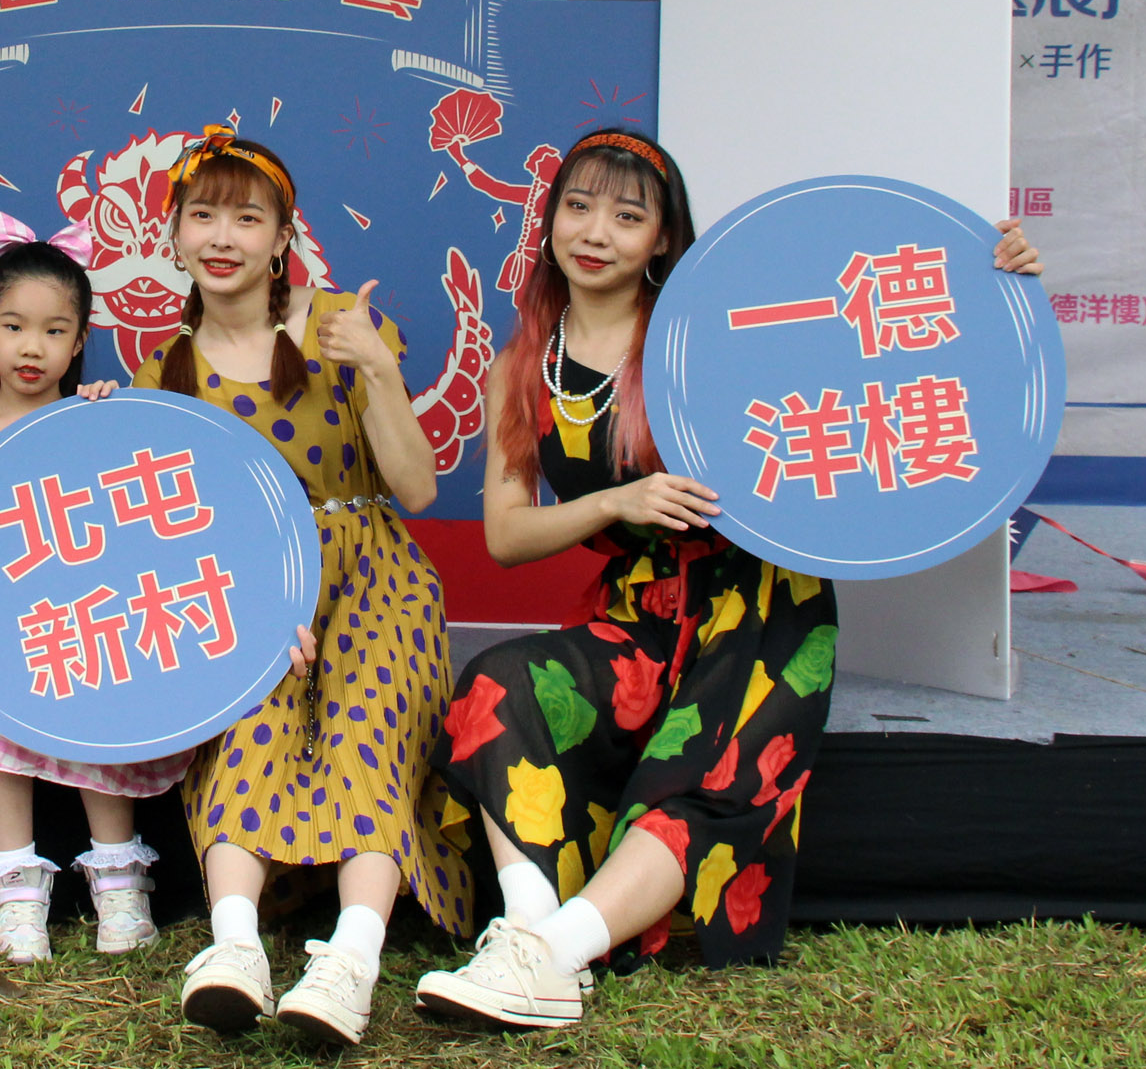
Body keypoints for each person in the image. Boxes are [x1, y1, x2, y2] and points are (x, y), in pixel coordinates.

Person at [413, 127, 1041, 1030]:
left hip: (763, 605)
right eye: (578, 207)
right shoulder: (523, 364)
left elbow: (881, 344)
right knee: (497, 686)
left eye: (627, 216)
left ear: (663, 237)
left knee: (706, 768)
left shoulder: (709, 328)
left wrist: (992, 278)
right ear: (549, 222)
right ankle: (528, 933)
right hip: (639, 611)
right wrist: (614, 502)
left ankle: (553, 954)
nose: (596, 232)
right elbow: (507, 535)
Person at [128, 128, 471, 1048]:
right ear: (174, 233)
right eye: (203, 215)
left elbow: (418, 489)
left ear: (283, 237)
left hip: (374, 575)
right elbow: (164, 532)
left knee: (368, 721)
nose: (223, 237)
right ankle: (235, 947)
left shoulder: (340, 324)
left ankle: (350, 961)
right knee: (247, 726)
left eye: (248, 218)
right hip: (250, 589)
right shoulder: (161, 371)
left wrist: (378, 368)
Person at [0, 212, 193, 963]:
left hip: (81, 616)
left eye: (54, 330)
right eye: (14, 327)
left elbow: (134, 531)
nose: (32, 347)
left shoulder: (93, 417)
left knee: (102, 681)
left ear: (79, 341)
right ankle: (16, 886)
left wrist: (108, 422)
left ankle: (119, 877)